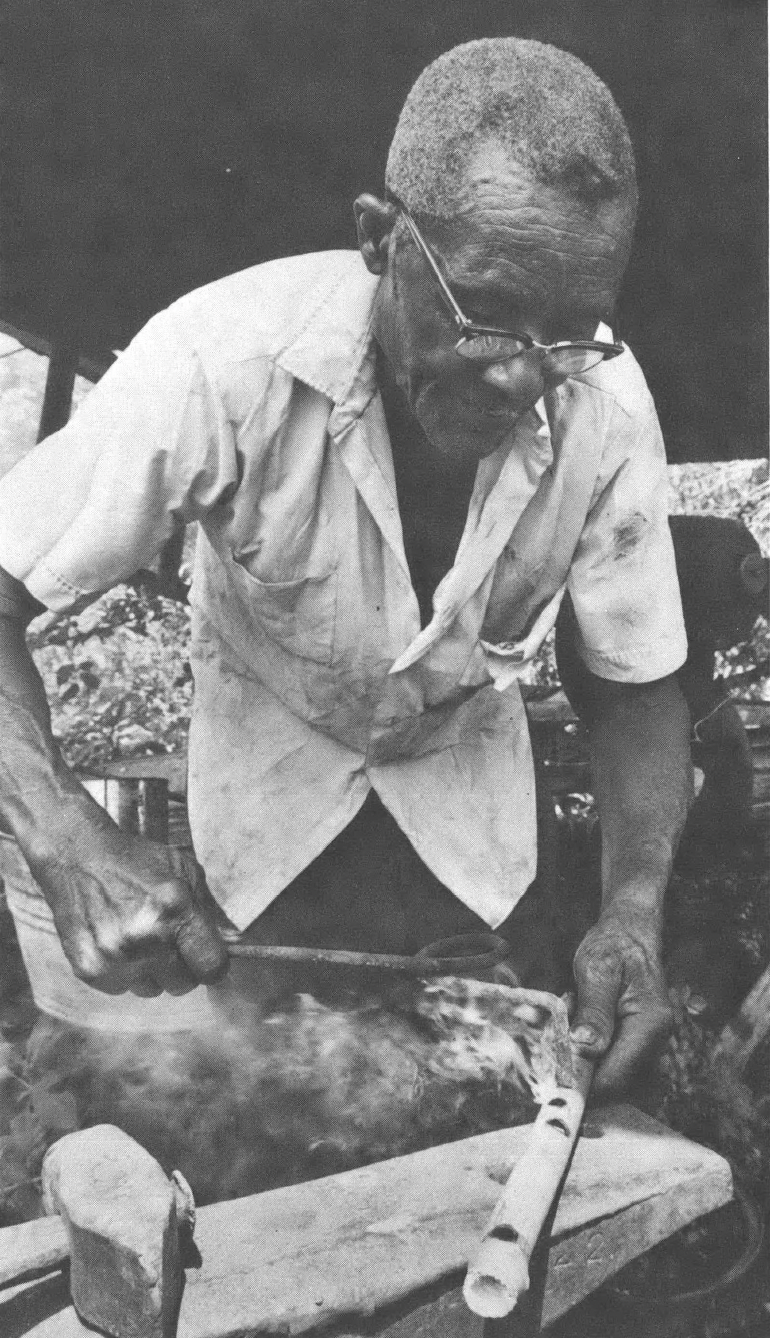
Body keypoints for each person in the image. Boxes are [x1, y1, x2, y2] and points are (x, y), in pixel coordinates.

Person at [0, 38, 692, 1096]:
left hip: (474, 842)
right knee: (266, 1120)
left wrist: (632, 912)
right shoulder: (216, 362)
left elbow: (631, 680)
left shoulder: (605, 409)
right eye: (486, 314)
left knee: (480, 1119)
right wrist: (63, 829)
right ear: (380, 239)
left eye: (569, 329)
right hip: (262, 823)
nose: (521, 373)